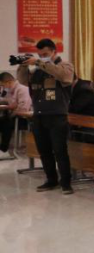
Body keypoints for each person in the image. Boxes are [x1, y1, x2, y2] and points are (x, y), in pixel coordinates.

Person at [18, 40, 75, 194]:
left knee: (60, 150)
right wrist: (23, 66)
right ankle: (51, 180)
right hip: (39, 115)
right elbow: (23, 81)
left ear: (54, 51)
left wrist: (39, 62)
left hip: (57, 115)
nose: (42, 57)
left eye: (45, 54)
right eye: (40, 55)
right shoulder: (38, 70)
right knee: (44, 151)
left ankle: (66, 183)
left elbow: (64, 77)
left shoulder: (65, 65)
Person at [0, 72, 32, 159]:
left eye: (3, 85)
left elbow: (23, 108)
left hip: (23, 118)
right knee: (3, 120)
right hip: (13, 116)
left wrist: (8, 108)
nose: (3, 87)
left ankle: (4, 150)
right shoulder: (10, 90)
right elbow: (8, 102)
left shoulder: (22, 89)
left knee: (5, 123)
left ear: (9, 82)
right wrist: (7, 106)